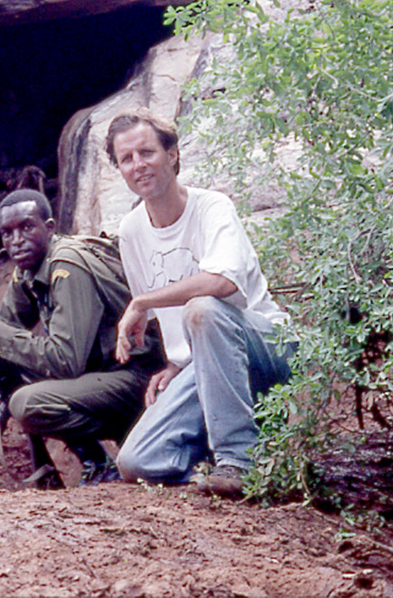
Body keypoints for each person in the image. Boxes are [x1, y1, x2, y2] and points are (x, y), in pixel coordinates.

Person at [107, 111, 294, 497]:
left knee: (203, 307)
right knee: (137, 461)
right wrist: (175, 364)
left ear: (172, 154)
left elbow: (221, 282)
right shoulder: (131, 231)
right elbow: (172, 319)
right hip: (205, 363)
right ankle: (215, 461)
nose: (138, 165)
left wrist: (140, 301)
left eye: (147, 152)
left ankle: (240, 462)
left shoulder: (212, 207)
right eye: (127, 158)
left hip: (268, 349)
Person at [0, 189, 163, 488]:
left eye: (26, 227)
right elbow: (10, 333)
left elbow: (66, 362)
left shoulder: (67, 267)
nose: (16, 241)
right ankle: (96, 460)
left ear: (50, 227)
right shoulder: (29, 268)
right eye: (7, 233)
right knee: (12, 363)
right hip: (103, 376)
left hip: (138, 378)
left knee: (28, 404)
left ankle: (101, 464)